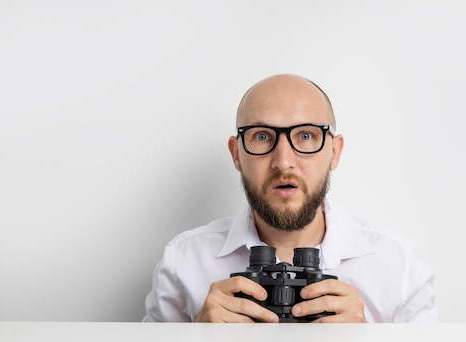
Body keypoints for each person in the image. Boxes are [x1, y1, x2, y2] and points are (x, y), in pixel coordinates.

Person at [143, 74, 437, 323]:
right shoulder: (183, 263)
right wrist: (192, 338)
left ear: (334, 151)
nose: (283, 162)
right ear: (236, 154)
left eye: (306, 136)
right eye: (261, 136)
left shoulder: (399, 267)